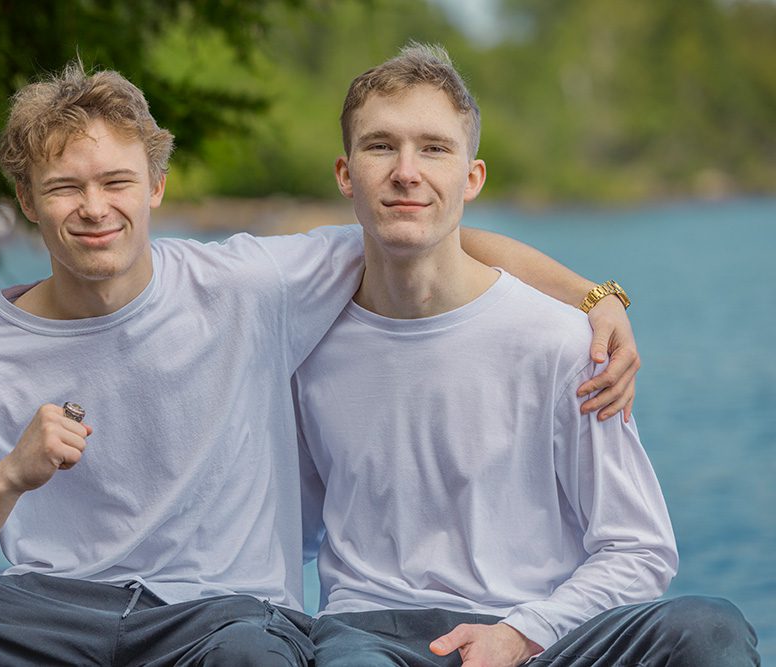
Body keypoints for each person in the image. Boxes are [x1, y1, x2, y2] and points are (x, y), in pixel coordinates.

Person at [0, 60, 640, 666]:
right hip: (49, 611)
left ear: (156, 185)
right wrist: (6, 479)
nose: (95, 207)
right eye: (65, 188)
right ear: (27, 201)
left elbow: (432, 234)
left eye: (117, 180)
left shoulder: (253, 285)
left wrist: (597, 298)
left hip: (218, 613)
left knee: (254, 657)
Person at [294, 43, 760, 667]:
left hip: (537, 634)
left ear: (472, 177)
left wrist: (521, 634)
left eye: (434, 148)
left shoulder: (566, 342)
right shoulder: (305, 336)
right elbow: (280, 529)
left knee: (708, 628)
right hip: (366, 635)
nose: (407, 171)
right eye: (381, 146)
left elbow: (639, 548)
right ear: (346, 174)